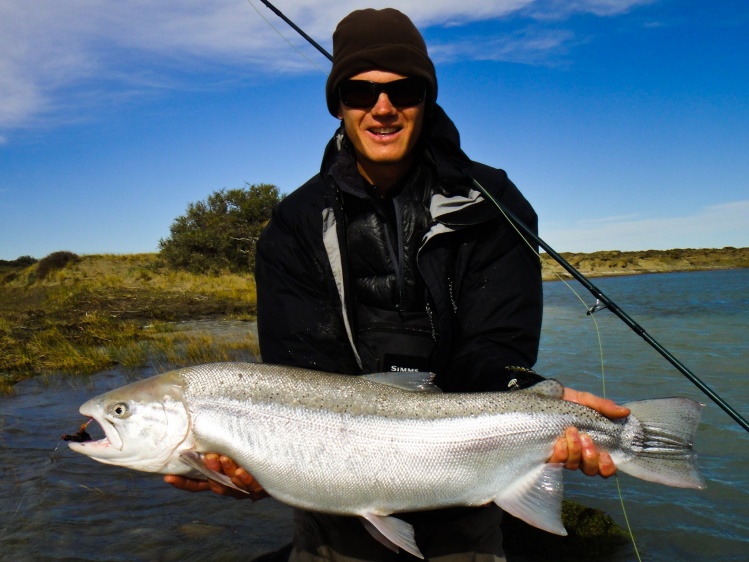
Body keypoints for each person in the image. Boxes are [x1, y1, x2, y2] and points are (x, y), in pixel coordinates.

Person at [165, 7, 630, 561]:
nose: (382, 108)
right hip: (333, 504)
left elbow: (496, 346)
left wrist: (535, 404)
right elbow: (299, 376)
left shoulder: (493, 203)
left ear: (426, 98)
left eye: (403, 90)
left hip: (469, 477)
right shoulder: (293, 225)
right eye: (360, 92)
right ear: (338, 104)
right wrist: (249, 467)